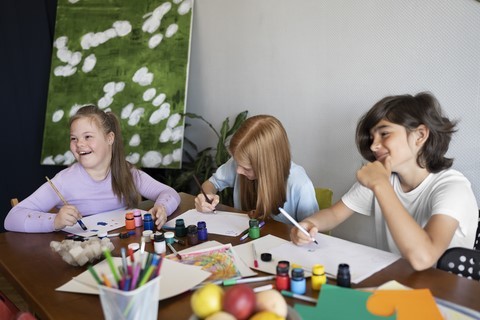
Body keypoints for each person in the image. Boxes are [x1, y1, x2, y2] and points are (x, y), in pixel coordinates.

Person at [290, 92, 478, 271]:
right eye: (372, 137)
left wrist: (380, 185)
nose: (373, 145)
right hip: (397, 283)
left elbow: (423, 258)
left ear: (420, 135)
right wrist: (308, 224)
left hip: (444, 295)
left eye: (385, 134)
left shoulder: (453, 188)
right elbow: (333, 215)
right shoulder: (384, 179)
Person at [5, 105, 180, 233]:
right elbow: (12, 217)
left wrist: (161, 208)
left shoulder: (126, 172)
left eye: (88, 136)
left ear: (109, 138)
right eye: (74, 138)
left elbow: (170, 193)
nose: (79, 144)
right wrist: (55, 221)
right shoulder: (64, 181)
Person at [195, 114, 319, 224]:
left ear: (268, 165)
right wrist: (207, 195)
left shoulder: (300, 185)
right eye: (237, 163)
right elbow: (212, 183)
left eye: (246, 168)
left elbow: (313, 232)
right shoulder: (239, 164)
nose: (238, 171)